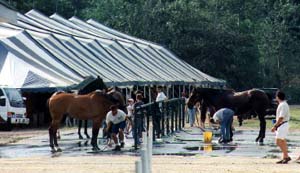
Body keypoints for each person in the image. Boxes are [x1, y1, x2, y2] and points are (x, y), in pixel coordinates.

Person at [271, 90, 291, 164]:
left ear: (277, 97)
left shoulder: (283, 105)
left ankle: (286, 156)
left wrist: (275, 126)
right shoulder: (283, 104)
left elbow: (281, 117)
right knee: (282, 141)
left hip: (282, 125)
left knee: (278, 141)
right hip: (282, 125)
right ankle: (285, 157)